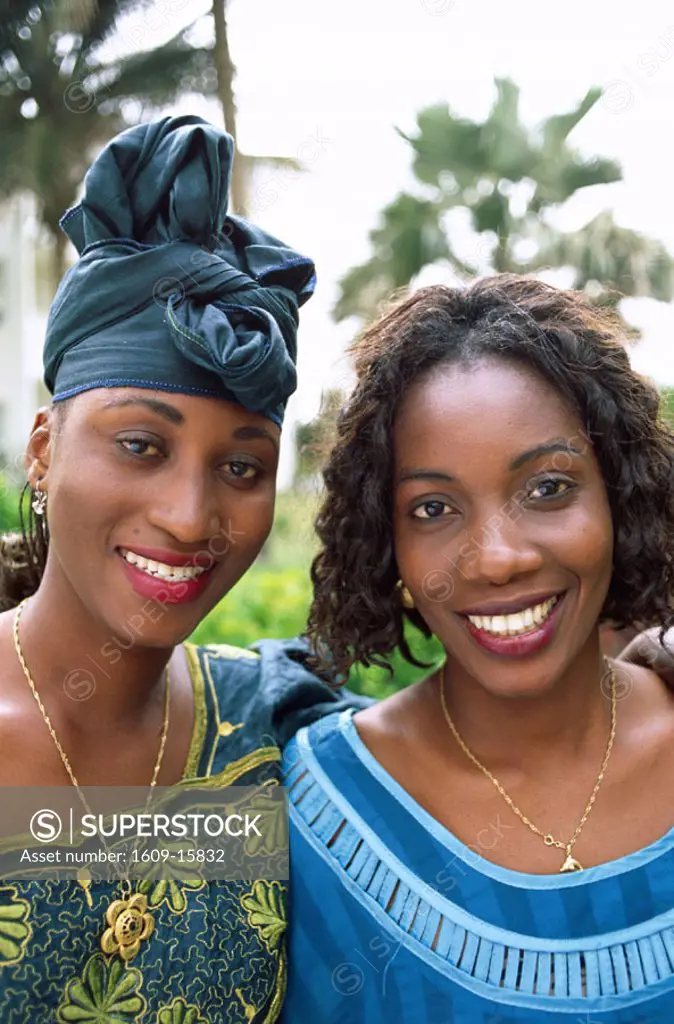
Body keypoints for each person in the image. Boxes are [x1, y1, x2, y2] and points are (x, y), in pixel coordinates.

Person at [0, 115, 352, 1022]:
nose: (191, 517)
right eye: (141, 444)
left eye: (242, 467)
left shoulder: (272, 732)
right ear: (44, 449)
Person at [281, 276, 674, 1022]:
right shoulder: (315, 812)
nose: (495, 559)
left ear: (618, 497)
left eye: (548, 488)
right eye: (433, 508)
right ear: (385, 543)